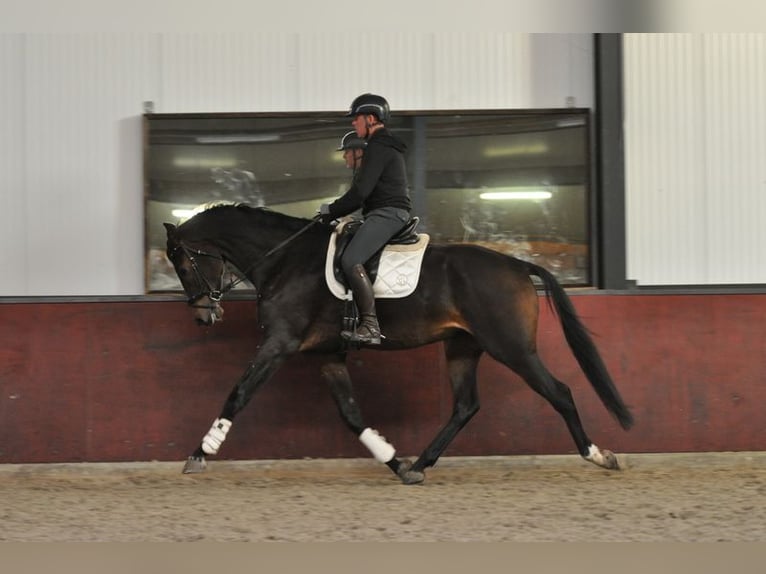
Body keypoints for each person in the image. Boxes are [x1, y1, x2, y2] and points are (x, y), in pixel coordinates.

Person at [319, 93, 412, 345]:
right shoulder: (381, 146)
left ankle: (370, 325)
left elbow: (360, 194)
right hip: (382, 212)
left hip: (387, 213)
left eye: (356, 118)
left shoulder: (378, 147)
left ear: (371, 119)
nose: (353, 123)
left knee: (351, 259)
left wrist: (330, 210)